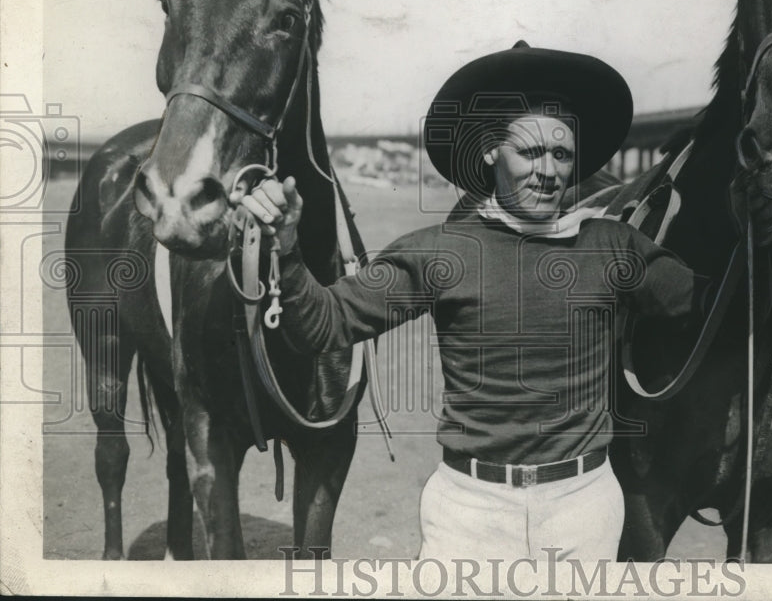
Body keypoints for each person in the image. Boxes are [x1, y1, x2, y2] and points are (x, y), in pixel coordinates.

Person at [236, 41, 696, 561]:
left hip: (582, 507)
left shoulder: (613, 246)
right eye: (529, 151)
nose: (548, 171)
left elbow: (688, 303)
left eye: (561, 154)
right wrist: (289, 249)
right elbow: (322, 326)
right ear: (489, 152)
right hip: (469, 511)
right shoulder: (441, 251)